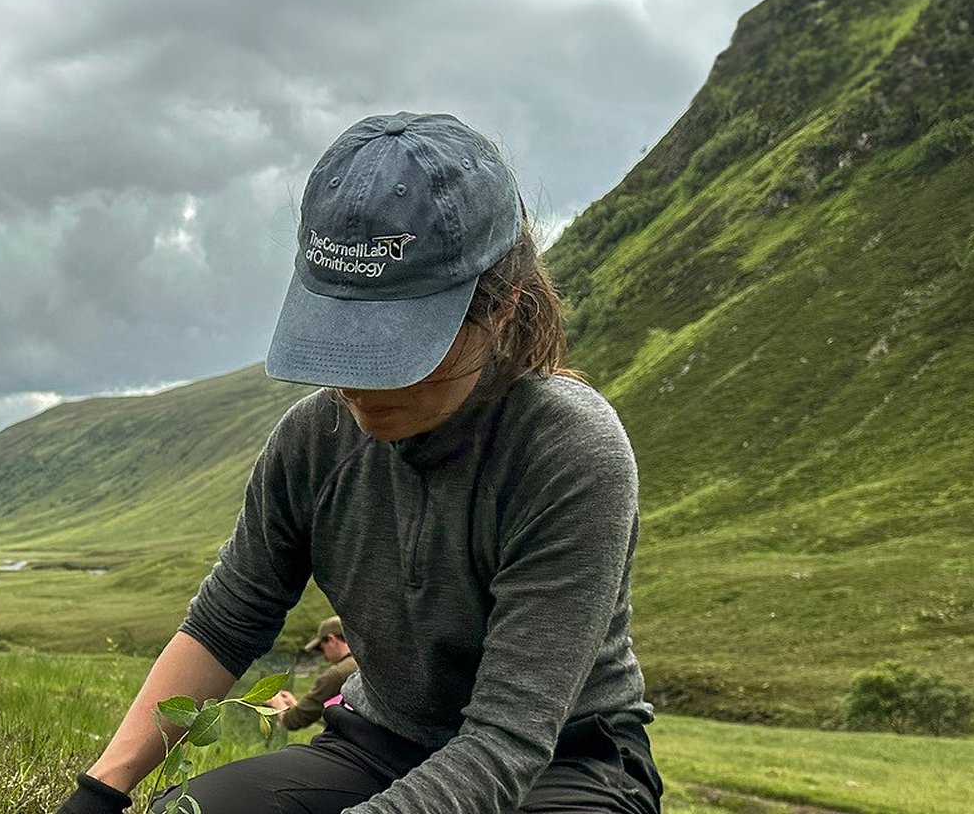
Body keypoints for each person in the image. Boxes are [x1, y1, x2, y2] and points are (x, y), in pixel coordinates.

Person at [55, 113, 663, 814]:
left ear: (502, 310)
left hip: (565, 762)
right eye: (342, 335)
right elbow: (226, 623)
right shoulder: (312, 440)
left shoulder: (568, 452)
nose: (356, 384)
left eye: (396, 345)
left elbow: (505, 741)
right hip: (380, 739)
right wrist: (99, 793)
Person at [269, 617, 358, 732]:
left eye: (322, 648)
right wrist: (296, 706)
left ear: (331, 639)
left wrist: (277, 704)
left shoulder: (338, 673)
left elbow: (292, 721)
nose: (324, 656)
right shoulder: (366, 665)